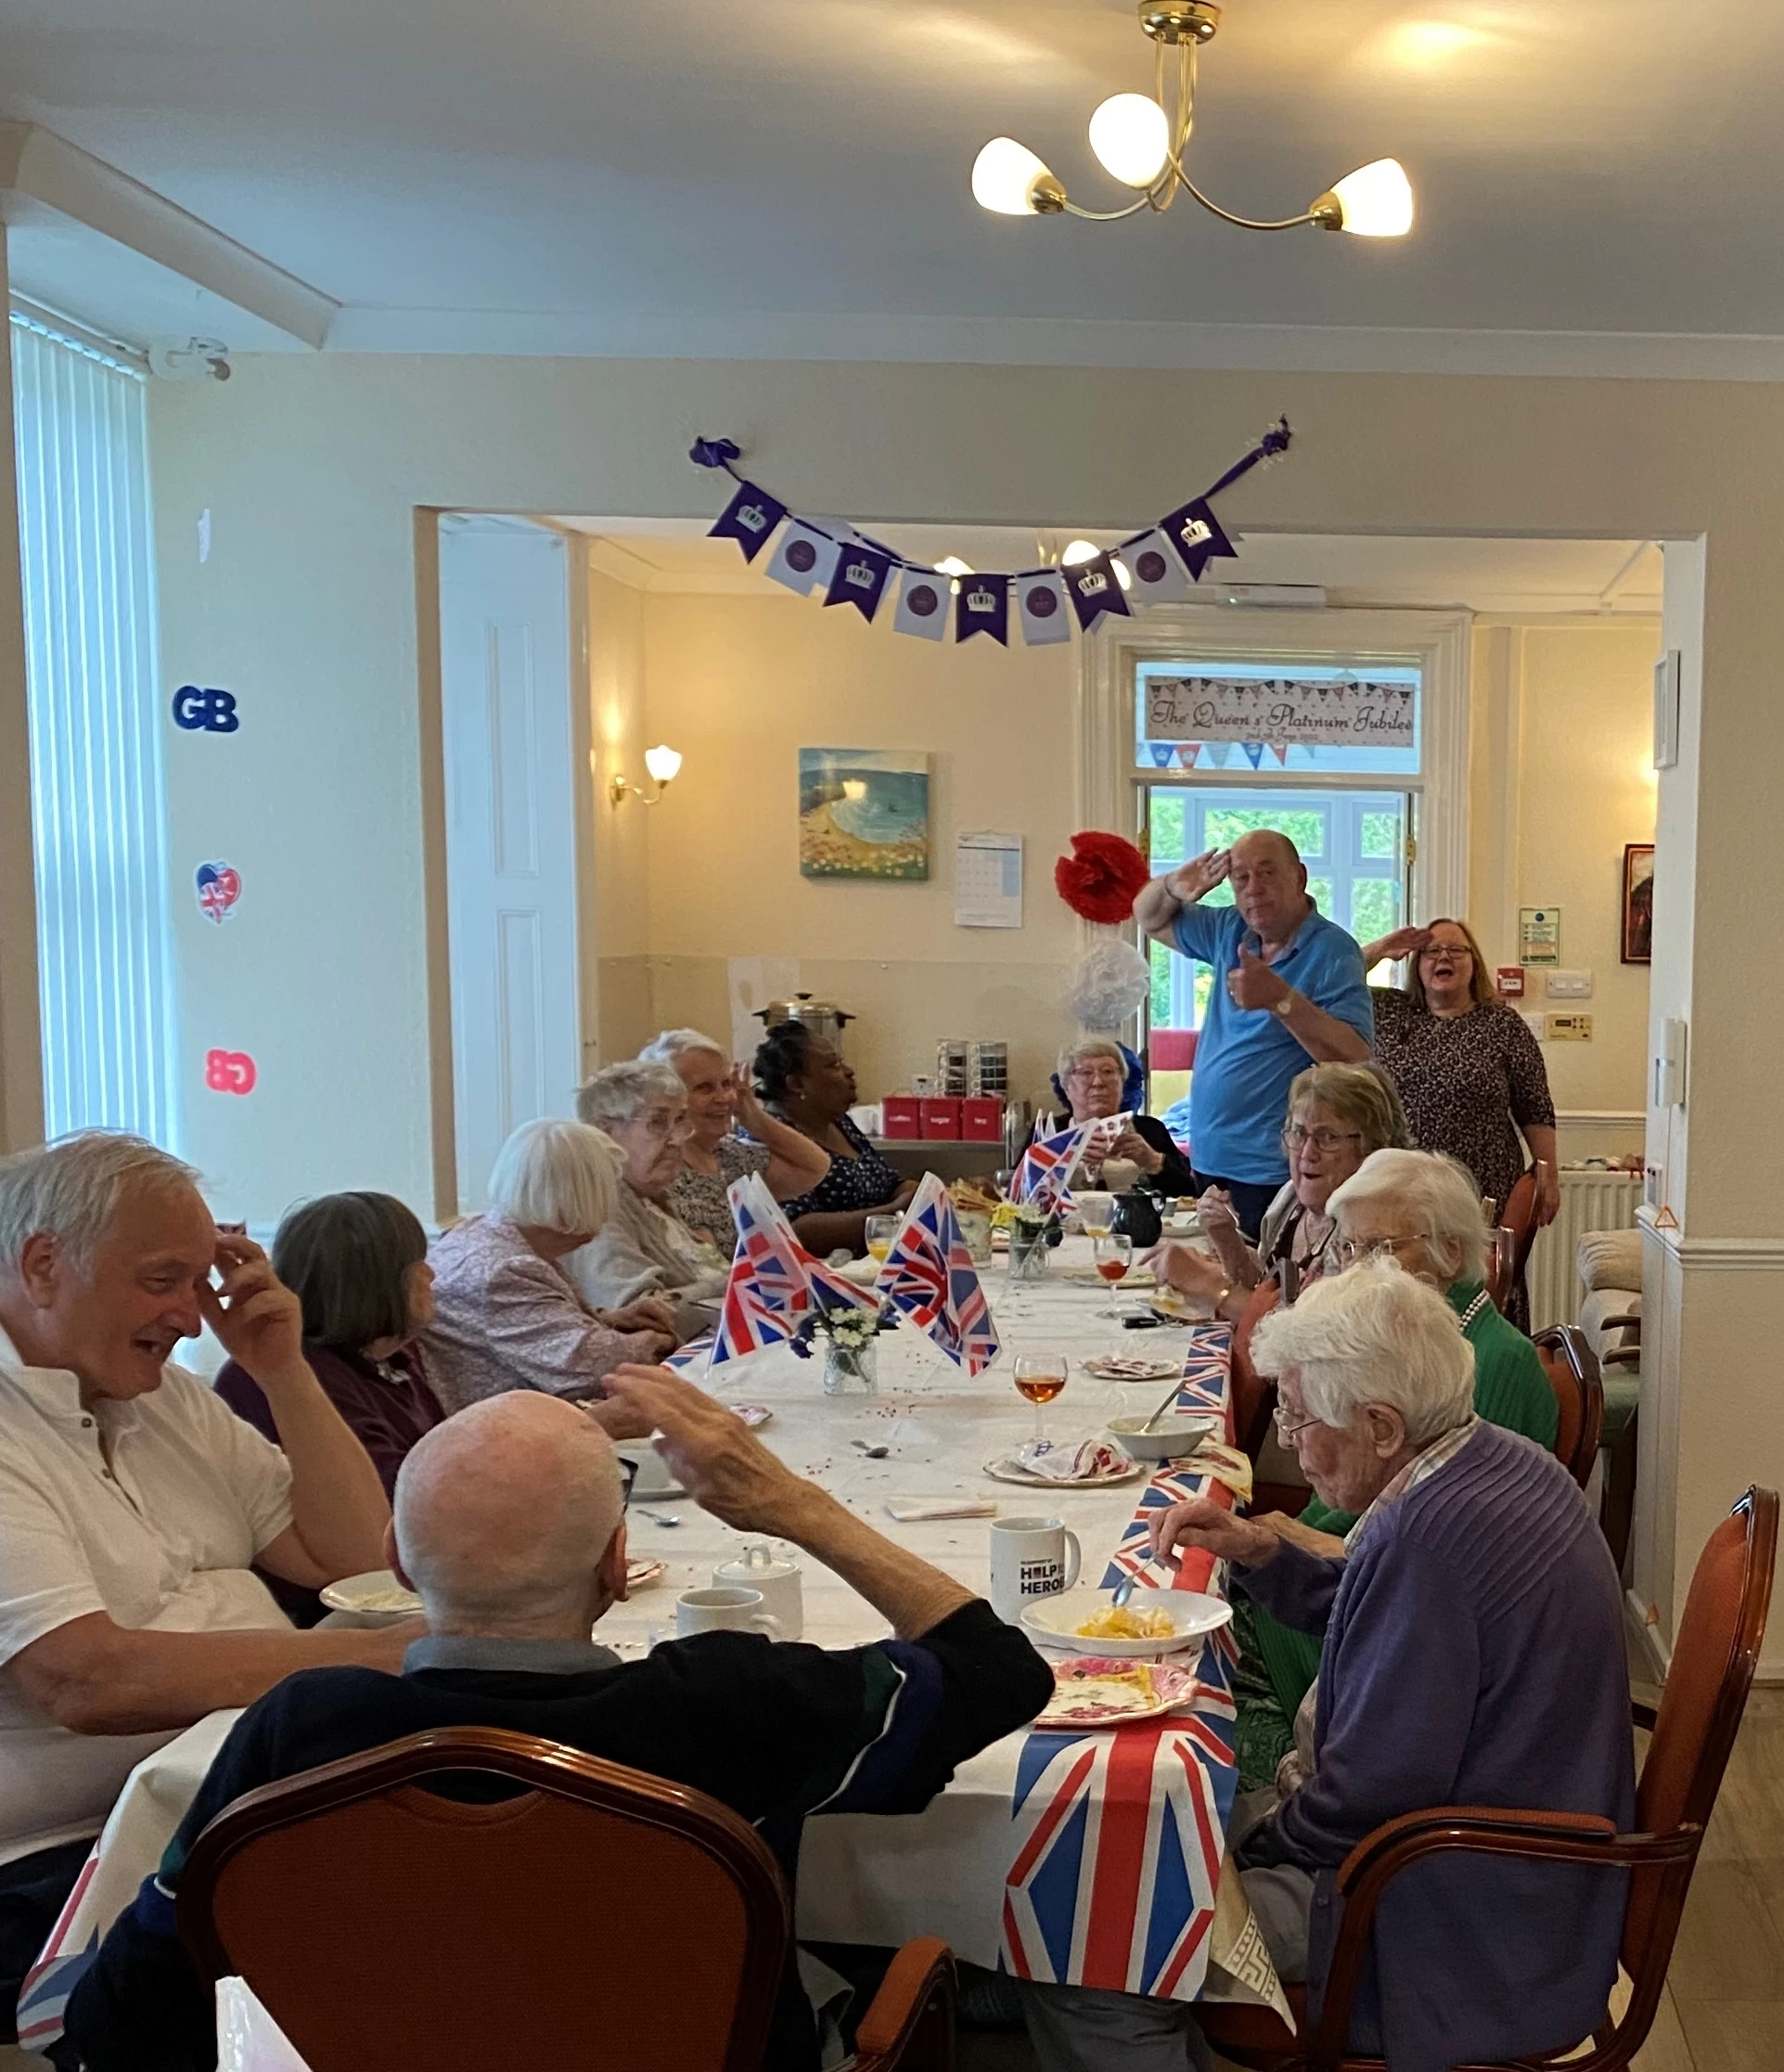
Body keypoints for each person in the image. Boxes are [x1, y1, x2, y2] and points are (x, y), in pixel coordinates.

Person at [63, 1371, 1056, 2072]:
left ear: (397, 1560)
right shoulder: (733, 1703)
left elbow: (121, 2020)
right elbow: (998, 1670)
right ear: (618, 1566)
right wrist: (792, 1505)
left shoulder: (297, 1730)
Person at [1146, 1264, 1632, 2072]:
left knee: (1122, 1930)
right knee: (1164, 1822)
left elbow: (1364, 1796)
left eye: (1298, 1417)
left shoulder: (1423, 1540)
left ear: (1378, 1425)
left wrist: (1250, 1846)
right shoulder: (1491, 1457)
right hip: (1517, 1878)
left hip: (1441, 1910)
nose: (1290, 1444)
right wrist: (1264, 1550)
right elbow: (1386, 1614)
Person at [0, 1134, 421, 2021]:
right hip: (59, 1866)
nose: (192, 1318)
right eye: (163, 1280)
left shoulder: (168, 1396)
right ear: (42, 1265)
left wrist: (283, 1372)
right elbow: (84, 1679)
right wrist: (376, 1659)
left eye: (200, 1282)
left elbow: (356, 1562)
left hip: (233, 1801)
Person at [1233, 1148, 1560, 1784]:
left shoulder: (1484, 1362)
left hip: (1451, 1758)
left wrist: (1285, 1542)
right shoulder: (1418, 1343)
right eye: (1347, 1248)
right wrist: (1268, 1549)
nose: (1357, 1269)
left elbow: (1415, 1585)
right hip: (1397, 1635)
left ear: (1449, 1251)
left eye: (1378, 1249)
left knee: (1208, 1666)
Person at [1133, 831, 1372, 1239]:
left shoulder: (1334, 950)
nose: (1253, 888)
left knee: (1265, 1276)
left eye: (1267, 873)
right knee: (1216, 1272)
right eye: (1240, 877)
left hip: (1275, 1168)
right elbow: (1148, 917)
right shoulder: (1230, 927)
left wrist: (1281, 1000)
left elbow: (1356, 1056)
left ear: (1300, 877)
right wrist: (1172, 886)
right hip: (1210, 1159)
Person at [1364, 917, 1559, 1330]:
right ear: (1416, 964)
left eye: (1456, 950)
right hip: (1405, 1189)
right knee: (1406, 1292)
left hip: (1484, 1188)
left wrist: (1548, 1175)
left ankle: (1489, 1366)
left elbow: (1536, 1108)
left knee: (1481, 1294)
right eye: (1432, 951)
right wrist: (1381, 949)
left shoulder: (1502, 1025)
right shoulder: (1389, 1012)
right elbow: (1331, 983)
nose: (1444, 958)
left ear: (1474, 963)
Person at [423, 1118, 673, 1428]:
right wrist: (660, 1341)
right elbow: (585, 1366)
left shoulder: (485, 1235)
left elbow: (534, 1331)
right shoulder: (506, 1272)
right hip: (504, 1434)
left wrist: (612, 1320)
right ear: (580, 1197)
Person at [215, 1191, 443, 1499]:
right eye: (416, 1265)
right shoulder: (301, 1374)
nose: (431, 1275)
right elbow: (397, 1497)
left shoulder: (390, 1358)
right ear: (373, 1284)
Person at [1149, 1063, 1404, 1323]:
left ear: (1370, 1146)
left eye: (1328, 1137)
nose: (1307, 1153)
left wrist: (1210, 1286)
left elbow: (1311, 1333)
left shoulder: (1370, 1226)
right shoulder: (1291, 1200)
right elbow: (1263, 1288)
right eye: (1299, 1133)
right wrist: (1226, 1240)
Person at [565, 1062, 728, 1340]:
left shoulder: (653, 1198)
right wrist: (739, 1281)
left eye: (680, 1121)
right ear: (606, 1132)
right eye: (658, 1122)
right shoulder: (597, 1209)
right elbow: (643, 1318)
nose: (677, 1139)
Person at [640, 1028, 831, 1255]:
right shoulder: (660, 1171)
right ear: (664, 1100)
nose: (724, 1097)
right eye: (704, 1088)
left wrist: (752, 1116)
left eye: (727, 1084)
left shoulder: (732, 1155)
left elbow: (816, 1167)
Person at [754, 1023, 916, 1257]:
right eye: (833, 1065)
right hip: (819, 1272)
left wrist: (919, 1193)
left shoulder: (839, 1123)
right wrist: (893, 1213)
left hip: (870, 1264)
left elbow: (889, 1184)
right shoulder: (769, 1138)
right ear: (796, 1084)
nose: (849, 1072)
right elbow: (796, 1229)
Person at [1031, 1037, 1195, 1199]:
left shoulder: (1151, 1129)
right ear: (1066, 1087)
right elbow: (1021, 1195)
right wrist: (1064, 1155)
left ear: (1122, 1084)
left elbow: (1190, 1194)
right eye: (1086, 1073)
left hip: (1136, 1216)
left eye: (1108, 1072)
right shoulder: (1048, 1131)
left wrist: (1152, 1161)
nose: (1098, 1082)